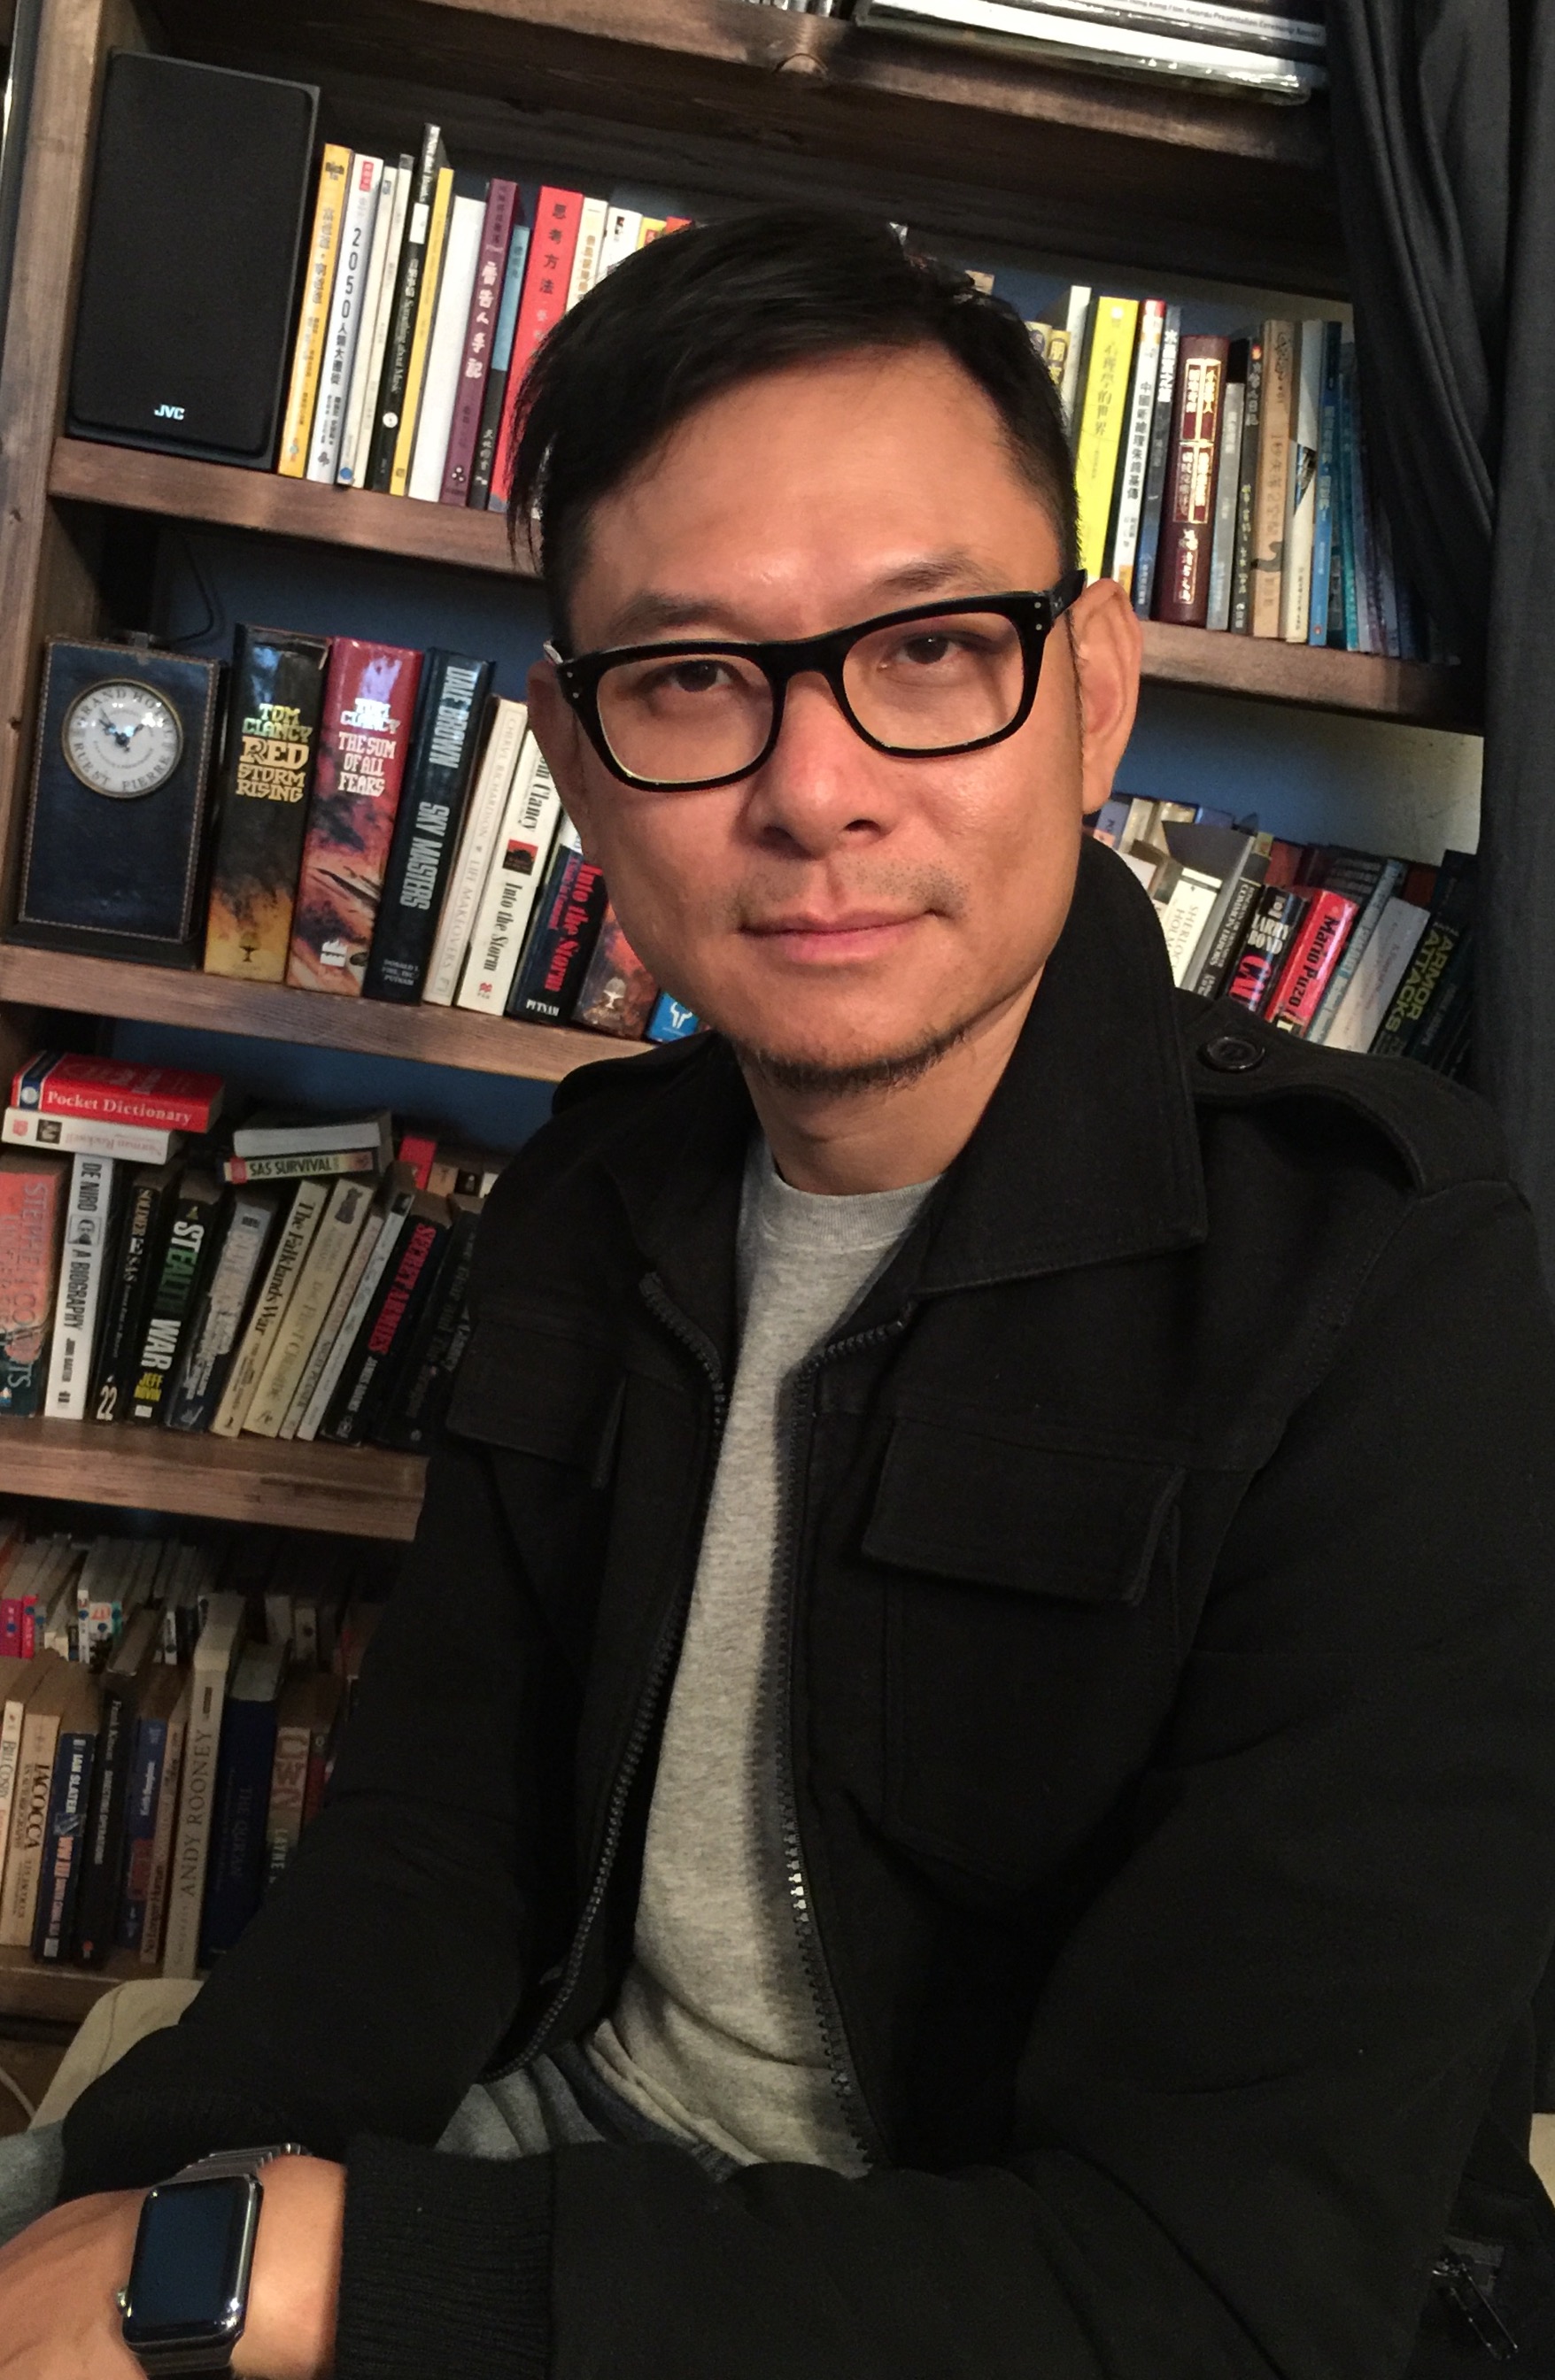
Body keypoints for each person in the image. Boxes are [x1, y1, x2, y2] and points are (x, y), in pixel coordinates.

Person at [4, 207, 1555, 2380]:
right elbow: (433, 1853)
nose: (812, 794)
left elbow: (1220, 2291)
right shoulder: (596, 1197)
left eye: (926, 650)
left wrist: (310, 2273)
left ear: (1090, 697)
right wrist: (142, 2210)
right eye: (689, 680)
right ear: (572, 767)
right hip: (565, 2181)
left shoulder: (1386, 1274)